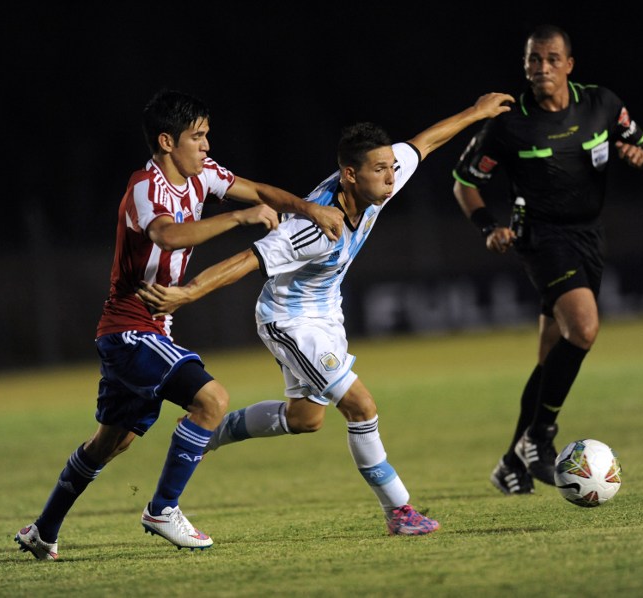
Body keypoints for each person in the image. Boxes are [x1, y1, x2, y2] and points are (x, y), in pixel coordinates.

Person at [136, 91, 515, 535]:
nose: (391, 178)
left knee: (305, 419)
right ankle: (399, 511)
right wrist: (187, 293)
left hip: (326, 313)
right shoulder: (312, 228)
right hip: (289, 320)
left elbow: (425, 143)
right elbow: (246, 261)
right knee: (361, 407)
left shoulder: (379, 178)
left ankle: (206, 435)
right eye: (381, 170)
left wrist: (476, 112)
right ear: (350, 175)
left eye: (391, 168)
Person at [14, 89, 344, 560]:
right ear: (167, 142)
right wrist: (239, 217)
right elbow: (166, 235)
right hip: (130, 329)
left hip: (151, 330)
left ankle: (42, 530)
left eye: (207, 135)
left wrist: (310, 209)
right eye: (197, 136)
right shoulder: (145, 187)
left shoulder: (202, 175)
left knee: (112, 442)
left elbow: (258, 191)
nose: (207, 145)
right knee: (212, 400)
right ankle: (162, 509)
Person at [452, 24, 643, 495]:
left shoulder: (601, 104)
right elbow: (464, 182)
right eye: (533, 59)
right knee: (583, 329)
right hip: (540, 237)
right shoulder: (508, 124)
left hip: (589, 236)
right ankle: (539, 438)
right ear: (525, 66)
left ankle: (511, 463)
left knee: (551, 359)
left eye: (550, 59)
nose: (541, 67)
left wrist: (640, 156)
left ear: (569, 64)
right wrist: (488, 228)